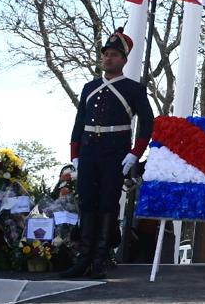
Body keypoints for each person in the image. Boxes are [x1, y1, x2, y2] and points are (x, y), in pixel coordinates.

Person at [60, 28, 154, 279]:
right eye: (106, 54)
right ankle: (84, 257)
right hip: (89, 151)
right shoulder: (89, 87)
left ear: (123, 60)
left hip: (115, 152)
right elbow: (79, 123)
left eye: (113, 55)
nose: (108, 59)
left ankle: (101, 258)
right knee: (88, 202)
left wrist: (135, 153)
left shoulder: (134, 89)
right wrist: (75, 155)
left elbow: (147, 123)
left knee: (107, 203)